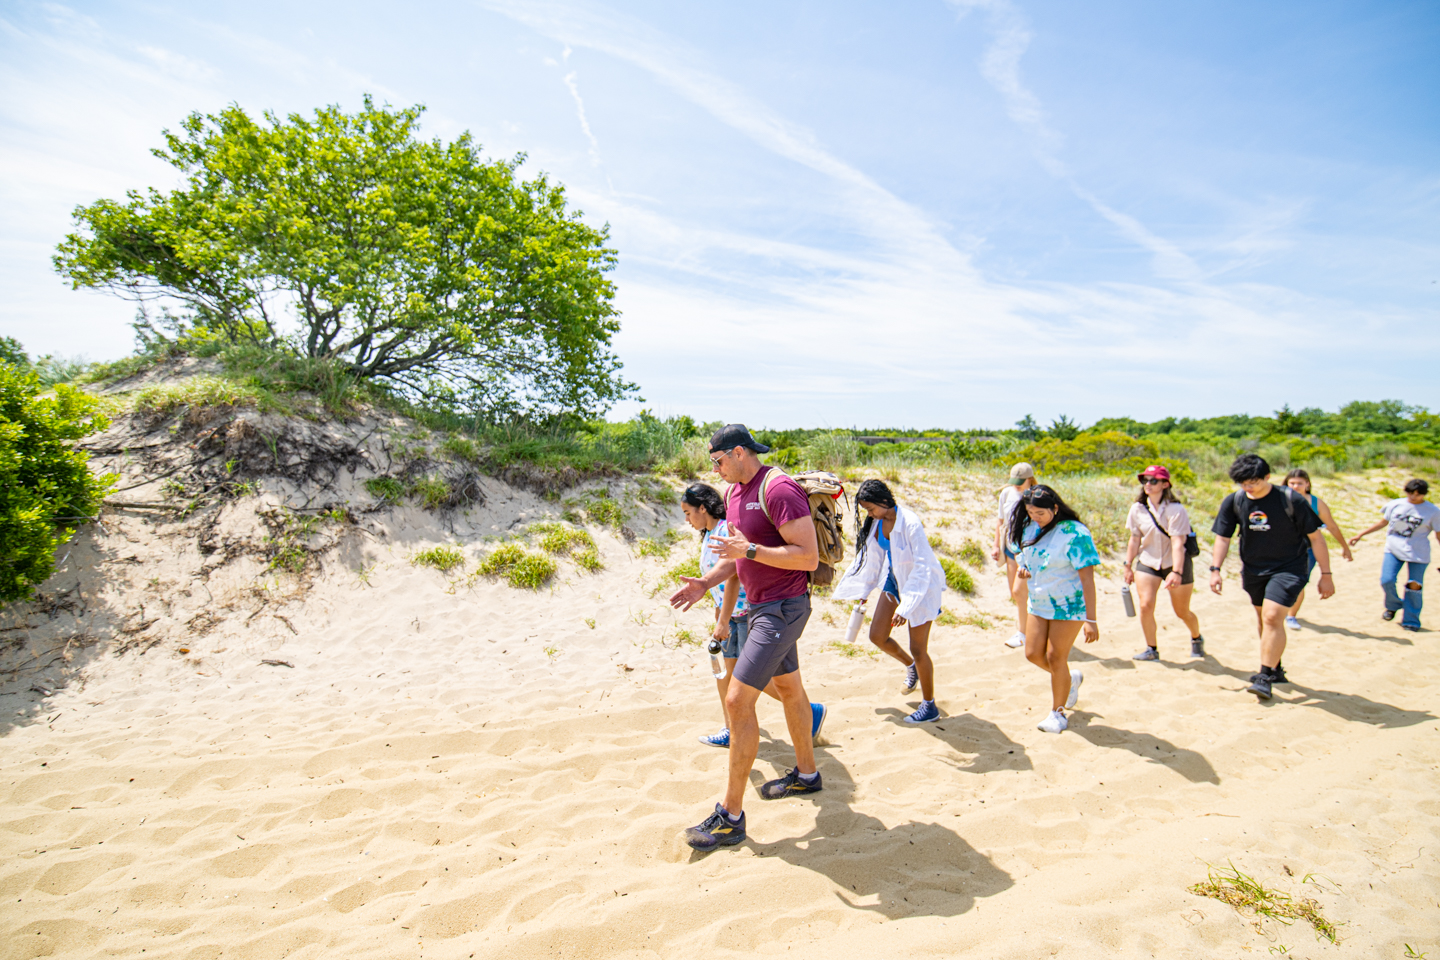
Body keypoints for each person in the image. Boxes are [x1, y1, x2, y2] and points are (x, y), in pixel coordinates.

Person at [670, 425, 825, 851]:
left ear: (739, 452)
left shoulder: (778, 489)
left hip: (782, 608)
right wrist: (705, 583)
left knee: (737, 701)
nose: (715, 470)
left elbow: (806, 557)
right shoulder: (736, 494)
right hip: (761, 608)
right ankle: (808, 775)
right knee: (790, 690)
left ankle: (730, 816)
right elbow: (736, 558)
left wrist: (751, 552)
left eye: (718, 461)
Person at [681, 482, 827, 748]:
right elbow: (718, 585)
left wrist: (723, 620)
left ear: (703, 508)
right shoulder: (709, 534)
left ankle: (809, 710)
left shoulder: (725, 530)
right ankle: (730, 729)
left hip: (747, 613)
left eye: (689, 513)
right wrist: (719, 618)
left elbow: (735, 575)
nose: (687, 520)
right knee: (727, 674)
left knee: (758, 680)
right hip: (731, 616)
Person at [1209, 453, 1333, 700]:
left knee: (1273, 615)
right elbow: (1223, 537)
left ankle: (1264, 676)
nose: (1248, 488)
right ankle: (1275, 667)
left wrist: (1326, 574)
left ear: (1268, 477)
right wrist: (1215, 569)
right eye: (1243, 483)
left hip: (1290, 567)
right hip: (1254, 569)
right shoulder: (1234, 501)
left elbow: (1316, 538)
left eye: (1253, 482)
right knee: (1263, 618)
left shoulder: (1291, 500)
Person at [832, 479, 947, 723]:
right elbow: (873, 558)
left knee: (918, 648)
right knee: (877, 635)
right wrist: (865, 588)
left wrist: (906, 607)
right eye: (866, 510)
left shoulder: (911, 523)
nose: (869, 513)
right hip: (895, 581)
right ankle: (911, 667)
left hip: (922, 587)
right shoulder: (878, 522)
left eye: (871, 508)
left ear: (884, 500)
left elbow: (922, 568)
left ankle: (930, 706)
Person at [1008, 484, 1100, 734]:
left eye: (1040, 513)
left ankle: (1057, 714)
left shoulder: (1075, 533)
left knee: (1055, 657)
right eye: (1030, 513)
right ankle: (1069, 680)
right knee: (1032, 653)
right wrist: (1023, 567)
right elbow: (1022, 555)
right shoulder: (1029, 528)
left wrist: (1091, 619)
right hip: (1039, 603)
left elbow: (1088, 579)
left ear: (1055, 508)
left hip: (1068, 606)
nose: (1035, 519)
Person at [1123, 465, 1205, 661]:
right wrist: (1128, 565)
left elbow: (1178, 543)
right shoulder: (1137, 509)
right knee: (1145, 605)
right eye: (1145, 480)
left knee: (1182, 611)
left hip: (1174, 563)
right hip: (1148, 561)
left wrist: (1176, 572)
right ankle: (1151, 649)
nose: (1147, 484)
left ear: (1165, 484)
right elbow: (1134, 538)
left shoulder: (1176, 510)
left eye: (1153, 480)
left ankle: (1196, 637)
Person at [1348, 478, 1440, 632]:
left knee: (1414, 587)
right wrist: (1360, 534)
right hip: (1393, 549)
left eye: (1417, 494)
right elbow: (1382, 523)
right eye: (1410, 493)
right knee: (1386, 580)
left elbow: (1438, 535)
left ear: (1424, 494)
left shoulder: (1433, 512)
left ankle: (1411, 620)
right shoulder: (1395, 504)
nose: (1413, 496)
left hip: (1418, 554)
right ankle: (1393, 605)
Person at [1282, 469, 1354, 630]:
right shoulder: (1279, 500)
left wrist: (1345, 547)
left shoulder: (1316, 503)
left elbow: (1332, 527)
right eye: (1292, 483)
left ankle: (1291, 615)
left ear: (1307, 484)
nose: (1295, 486)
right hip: (1281, 549)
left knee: (1299, 583)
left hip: (1307, 550)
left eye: (1299, 483)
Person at [992, 462, 1038, 649]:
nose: (1016, 484)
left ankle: (1025, 634)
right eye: (1014, 481)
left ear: (1030, 479)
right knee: (1015, 592)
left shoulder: (1036, 495)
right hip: (1011, 548)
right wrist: (996, 545)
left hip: (1030, 550)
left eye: (1021, 481)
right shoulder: (1007, 493)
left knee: (1021, 592)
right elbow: (1000, 521)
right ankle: (1031, 629)